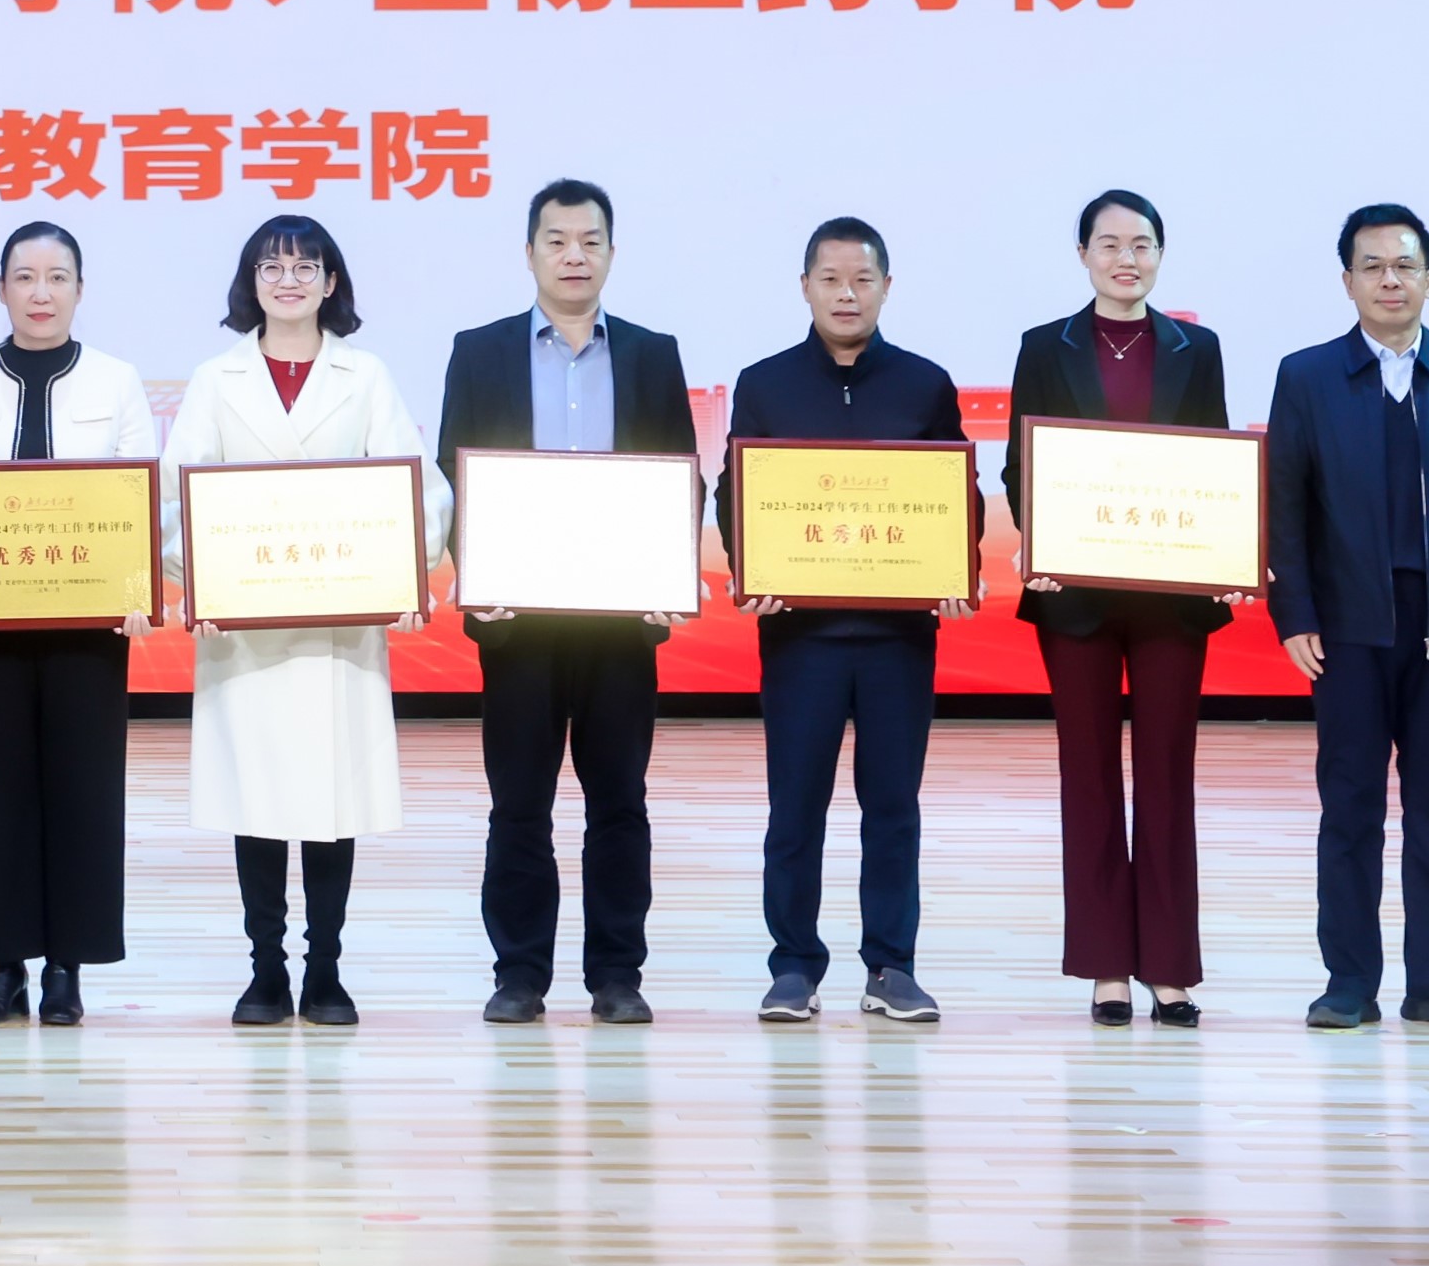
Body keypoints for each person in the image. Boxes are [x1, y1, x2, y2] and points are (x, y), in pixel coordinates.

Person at [161, 213, 438, 1028]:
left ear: (330, 282)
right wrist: (202, 581)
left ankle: (324, 971)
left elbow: (417, 491)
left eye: (305, 266)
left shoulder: (366, 375)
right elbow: (176, 499)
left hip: (334, 635)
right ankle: (264, 972)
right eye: (271, 266)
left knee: (329, 800)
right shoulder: (216, 380)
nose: (288, 280)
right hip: (244, 633)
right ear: (250, 281)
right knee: (256, 800)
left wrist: (400, 571)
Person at [435, 179, 697, 1027]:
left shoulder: (653, 353)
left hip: (619, 622)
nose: (573, 256)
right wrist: (476, 573)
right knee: (519, 804)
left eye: (589, 241)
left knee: (619, 802)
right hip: (519, 622)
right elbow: (453, 473)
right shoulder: (479, 351)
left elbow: (679, 473)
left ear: (611, 254)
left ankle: (617, 975)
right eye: (556, 241)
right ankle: (519, 974)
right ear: (529, 254)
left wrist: (666, 575)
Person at [1268, 203, 1429, 1033]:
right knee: (1348, 810)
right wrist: (1293, 611)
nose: (1389, 280)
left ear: (1428, 279)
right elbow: (1285, 504)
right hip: (1346, 627)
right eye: (1371, 266)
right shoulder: (1307, 376)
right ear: (1346, 281)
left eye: (1403, 265)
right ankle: (1348, 983)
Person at [718, 215, 976, 1025]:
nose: (845, 294)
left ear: (886, 288)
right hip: (801, 637)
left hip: (898, 638)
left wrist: (953, 570)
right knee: (794, 809)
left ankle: (890, 967)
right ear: (804, 287)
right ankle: (793, 966)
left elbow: (957, 496)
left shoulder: (924, 384)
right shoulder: (764, 383)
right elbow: (734, 493)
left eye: (862, 279)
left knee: (892, 809)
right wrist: (750, 571)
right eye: (829, 279)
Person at [0, 220, 159, 1027]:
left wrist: (137, 588)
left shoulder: (117, 381)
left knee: (85, 793)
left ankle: (65, 968)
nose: (41, 292)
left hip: (90, 628)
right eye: (24, 277)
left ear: (80, 290)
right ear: (1, 290)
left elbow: (139, 497)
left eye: (57, 277)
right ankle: (1, 967)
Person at [1004, 189, 1237, 1028]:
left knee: (1168, 773)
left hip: (1171, 599)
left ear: (1159, 256)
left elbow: (1214, 463)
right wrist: (1042, 542)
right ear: (1082, 256)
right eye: (1108, 244)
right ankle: (1106, 964)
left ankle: (1169, 969)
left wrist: (1223, 554)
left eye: (1140, 244)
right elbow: (1020, 467)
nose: (1124, 259)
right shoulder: (1045, 346)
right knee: (1090, 774)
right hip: (1076, 601)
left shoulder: (1195, 349)